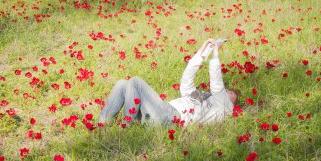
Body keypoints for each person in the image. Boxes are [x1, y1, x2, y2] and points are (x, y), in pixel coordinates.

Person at [98, 39, 239, 127]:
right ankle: (102, 124)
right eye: (228, 90)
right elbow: (187, 79)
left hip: (171, 118)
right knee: (123, 84)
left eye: (231, 93)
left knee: (135, 82)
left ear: (233, 103)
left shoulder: (224, 108)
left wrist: (215, 53)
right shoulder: (203, 96)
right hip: (159, 112)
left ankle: (125, 126)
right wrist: (204, 50)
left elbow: (217, 85)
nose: (227, 91)